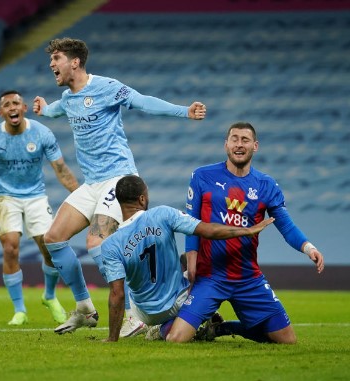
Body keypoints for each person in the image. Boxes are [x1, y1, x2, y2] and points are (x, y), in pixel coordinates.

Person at [32, 37, 206, 334]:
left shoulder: (107, 87)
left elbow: (142, 102)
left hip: (118, 178)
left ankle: (131, 313)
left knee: (95, 243)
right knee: (54, 238)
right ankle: (85, 308)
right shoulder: (69, 99)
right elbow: (57, 110)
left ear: (74, 62)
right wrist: (45, 109)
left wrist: (183, 111)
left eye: (56, 59)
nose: (51, 64)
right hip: (92, 183)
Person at [164, 122, 325, 343]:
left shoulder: (266, 185)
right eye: (235, 139)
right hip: (211, 276)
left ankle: (221, 328)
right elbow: (192, 223)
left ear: (255, 146)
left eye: (245, 140)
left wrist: (309, 248)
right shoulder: (202, 176)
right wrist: (192, 259)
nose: (239, 144)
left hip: (248, 278)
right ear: (226, 144)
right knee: (176, 339)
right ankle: (166, 325)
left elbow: (286, 226)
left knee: (288, 342)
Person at [101, 175, 275, 342]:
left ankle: (164, 326)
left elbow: (117, 294)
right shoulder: (162, 214)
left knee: (178, 261)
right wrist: (247, 231)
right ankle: (188, 319)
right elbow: (208, 230)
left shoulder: (110, 245)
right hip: (178, 302)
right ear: (142, 199)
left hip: (143, 312)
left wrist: (112, 338)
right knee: (205, 262)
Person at [0, 90, 79, 325]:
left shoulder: (42, 133)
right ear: (1, 113)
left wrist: (82, 197)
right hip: (6, 197)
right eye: (6, 105)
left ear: (24, 108)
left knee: (49, 247)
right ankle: (19, 310)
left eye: (16, 103)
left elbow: (62, 170)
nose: (12, 107)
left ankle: (49, 296)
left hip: (36, 196)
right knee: (10, 247)